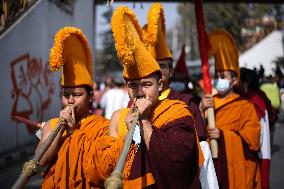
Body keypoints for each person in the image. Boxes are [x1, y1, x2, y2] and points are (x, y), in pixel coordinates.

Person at [109, 6, 204, 189]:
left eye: (146, 85)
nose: (140, 92)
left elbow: (178, 163)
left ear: (159, 85)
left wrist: (144, 122)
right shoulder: (118, 117)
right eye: (133, 86)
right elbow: (109, 166)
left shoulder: (177, 111)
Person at [36, 27, 118, 188]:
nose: (70, 101)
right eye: (66, 95)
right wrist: (61, 128)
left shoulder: (103, 126)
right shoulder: (51, 125)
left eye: (77, 95)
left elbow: (102, 168)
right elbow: (41, 160)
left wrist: (74, 132)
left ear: (91, 97)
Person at [200, 29, 261, 189]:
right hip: (211, 163)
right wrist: (201, 109)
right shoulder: (209, 102)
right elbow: (196, 129)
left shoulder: (245, 106)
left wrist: (224, 135)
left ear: (234, 81)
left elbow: (253, 139)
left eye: (223, 76)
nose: (218, 80)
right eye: (216, 76)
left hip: (233, 165)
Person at [142, 3, 207, 141]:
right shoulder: (137, 103)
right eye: (152, 65)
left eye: (162, 66)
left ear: (171, 71)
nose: (157, 70)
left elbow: (200, 143)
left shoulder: (185, 103)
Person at [239, 67, 271, 189]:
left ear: (246, 83)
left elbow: (259, 135)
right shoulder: (252, 98)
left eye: (238, 80)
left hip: (255, 151)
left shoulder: (253, 102)